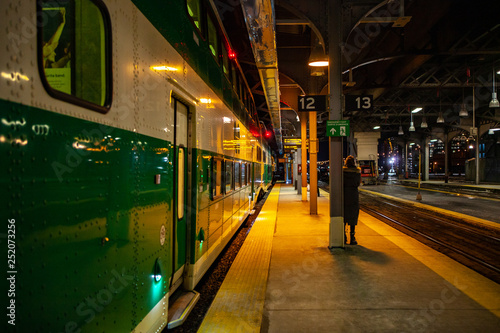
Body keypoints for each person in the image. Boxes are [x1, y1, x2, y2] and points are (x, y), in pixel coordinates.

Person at [343, 155, 361, 245]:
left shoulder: (342, 171)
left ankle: (344, 236)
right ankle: (352, 237)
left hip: (344, 194)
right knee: (353, 216)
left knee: (344, 215)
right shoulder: (357, 171)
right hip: (353, 195)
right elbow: (358, 183)